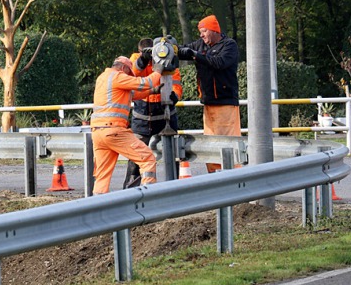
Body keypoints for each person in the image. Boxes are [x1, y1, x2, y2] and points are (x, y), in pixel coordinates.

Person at [90, 56, 164, 194]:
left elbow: (133, 94)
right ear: (123, 68)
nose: (128, 77)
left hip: (98, 132)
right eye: (128, 74)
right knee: (147, 158)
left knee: (102, 175)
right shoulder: (118, 76)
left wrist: (153, 91)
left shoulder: (103, 78)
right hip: (113, 130)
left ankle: (97, 209)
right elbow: (145, 83)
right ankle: (149, 198)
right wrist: (158, 72)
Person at [177, 14, 240, 172]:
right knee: (210, 145)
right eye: (200, 32)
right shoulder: (200, 44)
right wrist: (171, 48)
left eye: (204, 31)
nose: (201, 35)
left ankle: (235, 179)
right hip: (209, 103)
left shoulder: (229, 45)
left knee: (227, 145)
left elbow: (219, 63)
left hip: (226, 103)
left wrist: (196, 55)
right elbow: (185, 50)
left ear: (213, 30)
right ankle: (213, 177)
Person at [123, 38, 183, 188]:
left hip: (165, 114)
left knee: (173, 154)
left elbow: (176, 83)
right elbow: (132, 73)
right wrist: (143, 59)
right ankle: (130, 186)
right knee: (136, 156)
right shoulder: (136, 59)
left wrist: (174, 96)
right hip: (143, 115)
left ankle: (173, 186)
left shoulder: (168, 60)